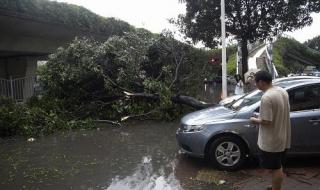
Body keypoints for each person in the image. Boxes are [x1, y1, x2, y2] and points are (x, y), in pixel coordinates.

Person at [250, 71, 291, 190]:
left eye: (256, 82)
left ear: (261, 82)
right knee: (278, 165)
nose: (255, 85)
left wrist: (254, 119)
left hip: (272, 140)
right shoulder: (282, 91)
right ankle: (275, 185)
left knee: (276, 167)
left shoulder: (267, 97)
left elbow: (267, 121)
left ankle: (276, 188)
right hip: (282, 137)